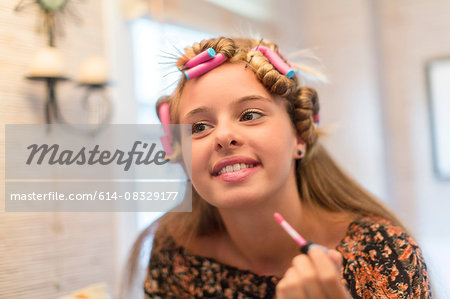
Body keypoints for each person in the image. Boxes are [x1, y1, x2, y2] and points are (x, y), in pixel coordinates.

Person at [123, 37, 432, 298]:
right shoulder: (175, 249)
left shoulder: (383, 254)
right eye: (199, 126)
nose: (224, 136)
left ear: (299, 134)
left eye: (249, 115)